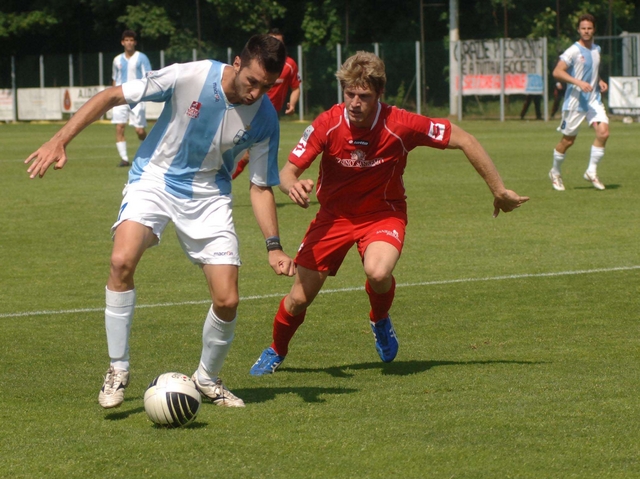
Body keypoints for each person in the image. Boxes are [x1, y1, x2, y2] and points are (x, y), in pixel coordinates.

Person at [25, 34, 296, 408]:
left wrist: (274, 246)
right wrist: (60, 139)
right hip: (154, 178)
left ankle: (206, 378)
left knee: (227, 299)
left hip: (208, 195)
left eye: (267, 86)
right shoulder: (192, 76)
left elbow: (262, 185)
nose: (256, 93)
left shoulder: (265, 117)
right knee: (121, 260)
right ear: (236, 63)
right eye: (252, 81)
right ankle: (118, 369)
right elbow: (112, 96)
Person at [249, 51, 529, 376]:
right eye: (350, 94)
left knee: (378, 272)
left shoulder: (401, 123)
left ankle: (379, 318)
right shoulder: (327, 122)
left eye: (363, 96)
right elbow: (287, 172)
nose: (355, 102)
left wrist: (498, 190)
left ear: (379, 94)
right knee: (299, 298)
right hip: (333, 219)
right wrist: (291, 184)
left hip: (383, 214)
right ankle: (276, 350)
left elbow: (464, 138)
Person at [549, 13, 609, 191]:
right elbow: (557, 72)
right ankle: (555, 171)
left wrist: (599, 81)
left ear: (594, 29)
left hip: (593, 101)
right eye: (583, 28)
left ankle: (591, 171)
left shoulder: (596, 49)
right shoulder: (573, 51)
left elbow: (592, 71)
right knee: (568, 141)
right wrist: (579, 82)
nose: (586, 31)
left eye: (589, 28)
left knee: (603, 133)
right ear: (578, 30)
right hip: (575, 103)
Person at [232, 28, 301, 179]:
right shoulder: (255, 64)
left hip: (268, 117)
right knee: (238, 152)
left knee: (248, 156)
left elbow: (296, 87)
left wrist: (292, 104)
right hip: (248, 109)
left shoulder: (289, 66)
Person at [112, 30, 152, 167]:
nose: (129, 42)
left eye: (131, 40)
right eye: (126, 40)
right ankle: (124, 159)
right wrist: (112, 97)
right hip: (120, 96)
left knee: (139, 130)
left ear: (135, 42)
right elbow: (114, 79)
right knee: (119, 127)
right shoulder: (117, 60)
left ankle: (148, 152)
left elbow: (148, 76)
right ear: (122, 42)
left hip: (137, 97)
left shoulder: (142, 58)